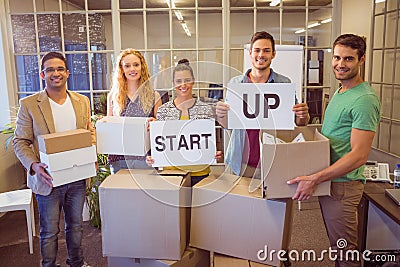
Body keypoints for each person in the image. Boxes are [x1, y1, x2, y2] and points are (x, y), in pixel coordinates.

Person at [287, 34, 381, 267]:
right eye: (337, 57)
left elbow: (359, 155)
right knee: (337, 247)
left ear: (362, 60)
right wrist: (304, 118)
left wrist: (315, 178)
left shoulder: (364, 99)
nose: (340, 64)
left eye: (348, 59)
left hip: (343, 185)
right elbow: (335, 137)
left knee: (345, 252)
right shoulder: (341, 91)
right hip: (331, 181)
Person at [13, 52, 95, 267]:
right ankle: (48, 265)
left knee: (76, 226)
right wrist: (33, 165)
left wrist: (92, 154)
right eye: (50, 69)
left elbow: (88, 131)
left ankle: (76, 262)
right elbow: (20, 141)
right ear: (42, 74)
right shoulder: (30, 104)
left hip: (77, 177)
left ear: (67, 73)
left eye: (60, 69)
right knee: (49, 231)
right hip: (47, 178)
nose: (55, 73)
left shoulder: (82, 101)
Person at [216, 31, 310, 179]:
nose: (261, 55)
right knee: (240, 202)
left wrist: (303, 115)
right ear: (250, 53)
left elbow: (299, 122)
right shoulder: (236, 84)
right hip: (241, 161)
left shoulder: (283, 83)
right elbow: (227, 124)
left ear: (273, 54)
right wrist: (221, 114)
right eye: (257, 50)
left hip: (275, 161)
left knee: (277, 202)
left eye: (266, 51)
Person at [147, 59, 221, 186]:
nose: (183, 85)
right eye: (178, 81)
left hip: (199, 173)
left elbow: (209, 142)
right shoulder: (163, 111)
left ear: (193, 81)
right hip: (171, 174)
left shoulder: (205, 109)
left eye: (187, 80)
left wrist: (213, 153)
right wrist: (153, 157)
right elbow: (160, 144)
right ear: (173, 83)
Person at [107, 49, 162, 173]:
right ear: (121, 69)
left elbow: (160, 130)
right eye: (127, 66)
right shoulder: (113, 96)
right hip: (119, 158)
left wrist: (155, 124)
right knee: (120, 192)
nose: (132, 69)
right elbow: (109, 128)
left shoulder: (154, 96)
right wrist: (103, 123)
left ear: (142, 67)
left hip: (146, 158)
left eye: (136, 65)